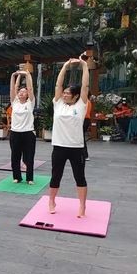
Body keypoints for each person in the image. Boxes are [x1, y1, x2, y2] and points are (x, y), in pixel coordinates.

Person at [48, 57, 90, 218]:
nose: (64, 94)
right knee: (55, 175)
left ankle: (82, 206)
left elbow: (85, 85)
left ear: (75, 96)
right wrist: (65, 66)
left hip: (76, 148)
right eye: (64, 92)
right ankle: (51, 201)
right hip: (59, 146)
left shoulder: (81, 105)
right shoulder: (58, 104)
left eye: (68, 93)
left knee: (79, 177)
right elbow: (58, 84)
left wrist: (84, 65)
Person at [9, 69, 36, 184]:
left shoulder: (30, 103)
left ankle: (29, 178)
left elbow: (30, 88)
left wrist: (27, 75)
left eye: (24, 92)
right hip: (15, 133)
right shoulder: (14, 102)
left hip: (28, 133)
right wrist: (14, 76)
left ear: (27, 95)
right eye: (20, 91)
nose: (21, 93)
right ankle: (17, 177)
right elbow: (12, 89)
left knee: (29, 157)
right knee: (15, 156)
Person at [83, 96, 93, 161]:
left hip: (84, 119)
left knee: (81, 137)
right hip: (86, 119)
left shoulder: (85, 101)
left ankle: (85, 155)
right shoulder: (88, 101)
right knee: (81, 137)